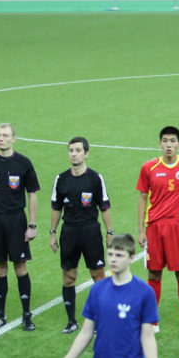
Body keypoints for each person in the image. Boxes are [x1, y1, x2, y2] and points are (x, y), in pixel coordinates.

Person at [49, 234, 170, 358]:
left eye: (119, 255)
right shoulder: (97, 291)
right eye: (111, 254)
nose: (113, 259)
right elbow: (86, 333)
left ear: (132, 258)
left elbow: (147, 337)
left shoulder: (144, 293)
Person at [136, 126, 179, 338]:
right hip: (154, 228)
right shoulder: (149, 167)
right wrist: (140, 230)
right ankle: (152, 322)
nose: (168, 144)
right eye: (165, 140)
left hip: (178, 227)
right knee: (154, 273)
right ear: (159, 143)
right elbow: (142, 198)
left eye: (172, 141)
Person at [0, 123, 40, 332]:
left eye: (5, 135)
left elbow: (32, 194)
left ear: (14, 138)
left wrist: (32, 225)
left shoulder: (24, 163)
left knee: (20, 266)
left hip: (16, 220)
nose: (0, 139)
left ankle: (27, 315)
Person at [49, 136, 113, 334]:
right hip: (69, 231)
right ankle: (71, 321)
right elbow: (56, 208)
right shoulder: (61, 179)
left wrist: (109, 232)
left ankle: (100, 321)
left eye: (78, 150)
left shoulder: (95, 178)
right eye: (71, 150)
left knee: (98, 276)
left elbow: (104, 206)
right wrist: (52, 233)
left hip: (91, 231)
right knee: (69, 277)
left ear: (86, 153)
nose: (73, 154)